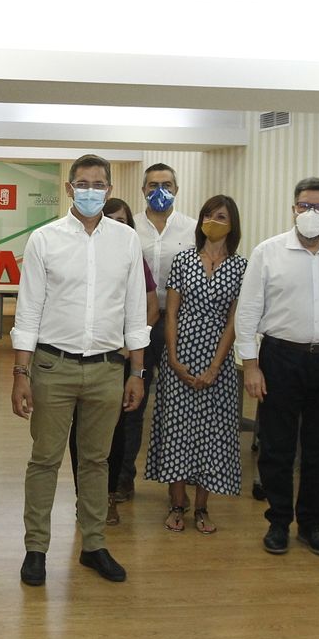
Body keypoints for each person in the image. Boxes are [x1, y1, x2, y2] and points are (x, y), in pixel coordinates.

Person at [11, 155, 150, 586]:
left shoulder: (126, 240)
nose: (91, 190)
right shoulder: (44, 239)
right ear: (70, 188)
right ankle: (36, 549)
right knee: (45, 461)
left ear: (108, 189)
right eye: (83, 183)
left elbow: (135, 310)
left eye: (99, 183)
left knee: (96, 461)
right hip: (54, 366)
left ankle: (93, 544)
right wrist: (20, 372)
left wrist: (137, 373)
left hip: (109, 368)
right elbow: (29, 308)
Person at [235, 176, 319, 558]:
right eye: (304, 206)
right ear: (293, 208)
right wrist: (250, 364)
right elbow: (248, 311)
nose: (311, 213)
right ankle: (278, 521)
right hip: (279, 357)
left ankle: (313, 524)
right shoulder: (268, 252)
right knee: (277, 446)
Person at [145, 195, 247, 535]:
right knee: (176, 430)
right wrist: (172, 358)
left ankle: (202, 507)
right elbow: (170, 311)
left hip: (218, 359)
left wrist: (216, 366)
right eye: (208, 215)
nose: (213, 221)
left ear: (232, 224)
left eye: (220, 216)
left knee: (212, 435)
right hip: (180, 353)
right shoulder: (184, 260)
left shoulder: (240, 266)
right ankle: (177, 503)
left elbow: (235, 320)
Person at [65, 198, 157, 526]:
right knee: (81, 433)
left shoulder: (132, 255)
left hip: (118, 358)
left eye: (122, 220)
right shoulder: (75, 249)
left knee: (115, 434)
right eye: (111, 218)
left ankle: (109, 495)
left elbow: (149, 306)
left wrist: (131, 349)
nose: (116, 224)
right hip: (79, 356)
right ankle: (83, 497)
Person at [122, 164, 198, 501]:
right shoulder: (128, 228)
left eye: (166, 185)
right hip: (138, 324)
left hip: (179, 324)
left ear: (177, 189)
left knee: (180, 404)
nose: (159, 190)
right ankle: (125, 476)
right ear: (143, 190)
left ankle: (181, 476)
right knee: (133, 404)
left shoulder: (193, 229)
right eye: (153, 185)